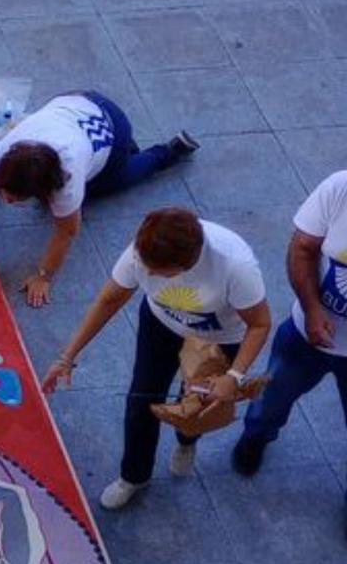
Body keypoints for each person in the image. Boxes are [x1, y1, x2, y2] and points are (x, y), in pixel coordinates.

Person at [43, 207, 271, 512]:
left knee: (198, 404)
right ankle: (133, 476)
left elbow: (260, 323)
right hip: (162, 324)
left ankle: (186, 441)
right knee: (141, 399)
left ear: (186, 265)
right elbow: (110, 298)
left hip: (221, 337)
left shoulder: (235, 266)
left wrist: (235, 376)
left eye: (157, 272)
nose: (146, 274)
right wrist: (67, 356)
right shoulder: (142, 251)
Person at [0, 94, 199, 308]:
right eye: (3, 191)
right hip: (79, 101)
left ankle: (165, 153)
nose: (6, 200)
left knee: (111, 183)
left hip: (113, 128)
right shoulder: (4, 156)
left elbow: (67, 231)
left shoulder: (67, 180)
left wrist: (43, 276)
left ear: (44, 187)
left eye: (14, 197)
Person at [232, 170, 347, 514]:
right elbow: (303, 247)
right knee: (271, 397)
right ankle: (255, 437)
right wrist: (312, 310)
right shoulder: (341, 187)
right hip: (302, 335)